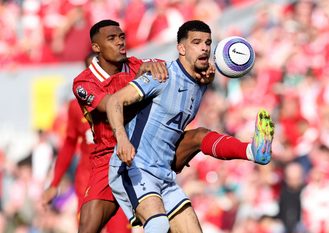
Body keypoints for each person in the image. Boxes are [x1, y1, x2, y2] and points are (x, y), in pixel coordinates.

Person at [73, 19, 273, 233]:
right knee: (90, 227)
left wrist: (199, 72)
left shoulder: (142, 65)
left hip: (157, 153)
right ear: (96, 47)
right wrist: (145, 80)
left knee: (198, 136)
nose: (120, 42)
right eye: (112, 39)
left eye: (122, 36)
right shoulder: (84, 82)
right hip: (114, 155)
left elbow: (178, 71)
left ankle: (252, 151)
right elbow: (110, 103)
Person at [42, 52, 130, 233]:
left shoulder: (125, 99)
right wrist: (54, 184)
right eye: (92, 70)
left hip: (119, 179)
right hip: (87, 183)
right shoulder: (75, 107)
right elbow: (68, 144)